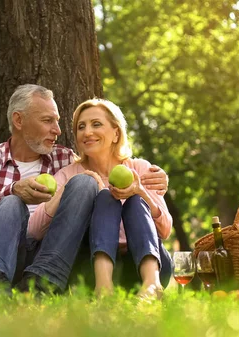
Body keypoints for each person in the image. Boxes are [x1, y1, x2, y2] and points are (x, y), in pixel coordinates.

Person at [0, 84, 168, 294]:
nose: (58, 130)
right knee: (11, 203)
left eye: (58, 121)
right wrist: (14, 190)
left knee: (87, 184)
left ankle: (43, 284)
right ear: (19, 120)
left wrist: (150, 184)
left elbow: (102, 168)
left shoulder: (64, 158)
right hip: (6, 252)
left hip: (52, 255)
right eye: (47, 120)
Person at [29, 99, 172, 299]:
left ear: (116, 133)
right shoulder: (69, 174)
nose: (87, 132)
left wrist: (140, 191)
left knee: (135, 200)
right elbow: (34, 230)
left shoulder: (140, 168)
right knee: (105, 197)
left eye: (96, 124)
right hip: (92, 269)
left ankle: (151, 285)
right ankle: (103, 289)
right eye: (81, 127)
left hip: (145, 264)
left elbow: (165, 230)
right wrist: (68, 189)